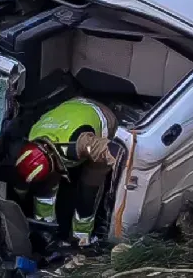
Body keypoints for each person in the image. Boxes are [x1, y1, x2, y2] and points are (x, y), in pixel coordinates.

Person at [14, 97, 117, 246]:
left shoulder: (79, 144)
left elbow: (106, 150)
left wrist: (119, 158)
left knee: (88, 191)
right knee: (45, 187)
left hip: (101, 114)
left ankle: (81, 238)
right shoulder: (33, 135)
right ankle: (46, 226)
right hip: (71, 105)